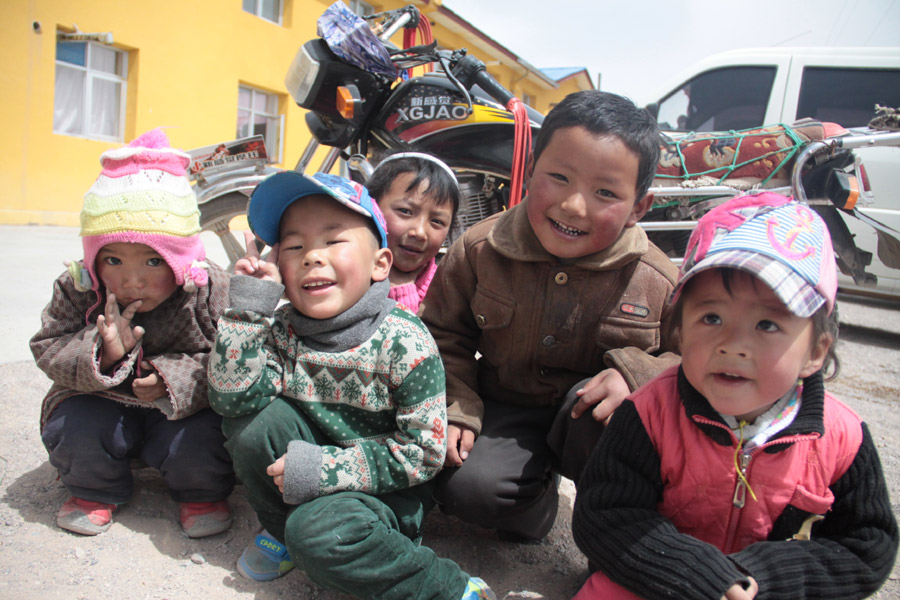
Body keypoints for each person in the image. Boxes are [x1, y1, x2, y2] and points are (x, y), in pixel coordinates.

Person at [571, 192, 899, 600]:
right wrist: (701, 574)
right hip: (660, 581)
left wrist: (757, 577)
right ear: (680, 331)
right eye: (712, 317)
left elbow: (866, 548)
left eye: (767, 324)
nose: (733, 344)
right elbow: (604, 518)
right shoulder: (649, 415)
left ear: (816, 351)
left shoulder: (842, 440)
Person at [207, 171, 496, 599]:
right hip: (304, 470)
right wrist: (249, 308)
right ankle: (283, 531)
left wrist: (326, 470)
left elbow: (425, 454)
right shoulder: (283, 329)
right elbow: (231, 400)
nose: (312, 256)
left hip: (387, 494)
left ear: (380, 263)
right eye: (294, 246)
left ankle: (452, 590)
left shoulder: (405, 342)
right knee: (251, 424)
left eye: (332, 240)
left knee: (317, 533)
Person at [420, 90, 681, 542]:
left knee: (612, 416)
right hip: (508, 406)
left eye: (605, 192)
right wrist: (458, 408)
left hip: (596, 428)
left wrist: (637, 374)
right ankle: (534, 502)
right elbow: (442, 335)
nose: (573, 206)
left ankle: (610, 520)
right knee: (465, 488)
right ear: (527, 172)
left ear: (639, 207)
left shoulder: (658, 279)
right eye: (559, 177)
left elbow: (692, 357)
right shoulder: (480, 249)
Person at [31, 129, 235, 537]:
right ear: (93, 258)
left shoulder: (208, 289)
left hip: (181, 411)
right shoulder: (78, 287)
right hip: (100, 400)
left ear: (181, 260)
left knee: (203, 441)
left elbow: (229, 359)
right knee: (75, 427)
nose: (132, 281)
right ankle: (94, 491)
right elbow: (48, 344)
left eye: (153, 262)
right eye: (113, 260)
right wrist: (103, 354)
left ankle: (200, 495)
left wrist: (170, 380)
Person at [367, 151, 460, 314]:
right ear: (372, 207)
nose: (419, 232)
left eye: (437, 221)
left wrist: (402, 290)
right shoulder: (348, 275)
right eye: (405, 211)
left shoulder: (447, 293)